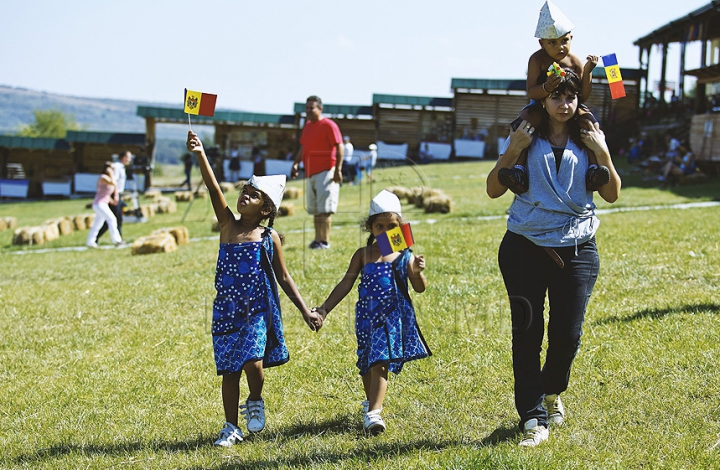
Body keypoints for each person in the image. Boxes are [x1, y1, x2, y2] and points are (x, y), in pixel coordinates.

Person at [486, 69, 621, 447]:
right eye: (556, 97)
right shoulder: (525, 136)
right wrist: (512, 149)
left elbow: (612, 194)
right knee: (527, 333)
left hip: (578, 248)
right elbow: (492, 189)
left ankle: (551, 391)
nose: (564, 104)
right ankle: (532, 416)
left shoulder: (589, 137)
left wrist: (603, 151)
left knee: (567, 334)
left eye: (570, 97)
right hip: (523, 247)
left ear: (578, 102)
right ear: (543, 101)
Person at [186, 130, 322, 447]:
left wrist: (305, 311)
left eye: (253, 194)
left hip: (256, 312)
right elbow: (212, 187)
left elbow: (285, 278)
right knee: (230, 371)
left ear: (265, 210)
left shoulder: (267, 238)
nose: (245, 195)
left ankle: (256, 398)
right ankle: (230, 427)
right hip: (225, 310)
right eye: (245, 190)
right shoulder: (227, 225)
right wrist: (201, 154)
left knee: (253, 364)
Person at [314, 190, 431, 435]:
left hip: (390, 318)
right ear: (370, 227)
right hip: (366, 319)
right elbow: (345, 284)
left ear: (399, 227)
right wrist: (325, 309)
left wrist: (418, 271)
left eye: (392, 226)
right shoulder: (363, 255)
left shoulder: (403, 256)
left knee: (379, 362)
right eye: (380, 226)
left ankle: (374, 412)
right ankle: (370, 404)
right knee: (367, 363)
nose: (387, 231)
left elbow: (419, 288)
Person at [498, 0, 609, 195]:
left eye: (564, 41)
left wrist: (588, 71)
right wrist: (546, 88)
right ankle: (519, 171)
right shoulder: (537, 59)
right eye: (552, 43)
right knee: (522, 126)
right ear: (541, 43)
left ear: (571, 38)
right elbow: (531, 91)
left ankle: (593, 171)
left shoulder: (574, 61)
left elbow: (583, 95)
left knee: (591, 126)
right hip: (540, 103)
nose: (560, 47)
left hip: (573, 104)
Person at [291, 96, 344, 249]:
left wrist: (338, 169)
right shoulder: (307, 126)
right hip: (310, 173)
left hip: (327, 171)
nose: (308, 111)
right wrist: (296, 163)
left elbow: (339, 146)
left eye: (311, 108)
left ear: (320, 109)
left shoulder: (329, 125)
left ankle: (325, 241)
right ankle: (317, 240)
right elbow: (303, 147)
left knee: (325, 209)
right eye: (306, 108)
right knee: (315, 210)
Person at [95, 151, 131, 243]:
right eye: (128, 157)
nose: (129, 159)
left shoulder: (121, 167)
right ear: (123, 158)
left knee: (113, 218)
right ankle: (118, 240)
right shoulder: (117, 167)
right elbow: (114, 182)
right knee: (115, 218)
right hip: (115, 194)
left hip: (118, 194)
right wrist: (116, 195)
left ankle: (96, 238)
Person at [86, 162, 124, 248]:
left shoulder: (109, 178)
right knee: (112, 219)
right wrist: (111, 174)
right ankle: (117, 240)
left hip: (103, 203)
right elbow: (113, 183)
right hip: (99, 203)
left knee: (97, 224)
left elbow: (105, 193)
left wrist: (112, 200)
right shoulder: (103, 177)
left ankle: (90, 241)